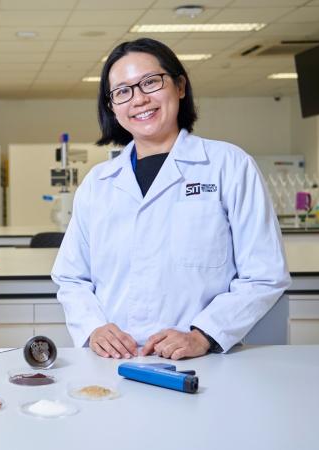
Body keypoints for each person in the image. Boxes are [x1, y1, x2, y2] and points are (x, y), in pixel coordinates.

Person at [51, 38, 291, 360]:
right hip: (114, 361)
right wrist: (94, 327)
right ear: (112, 107)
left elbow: (264, 274)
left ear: (180, 86)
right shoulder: (98, 183)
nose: (139, 99)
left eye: (150, 82)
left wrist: (204, 334)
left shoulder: (229, 166)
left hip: (202, 360)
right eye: (122, 91)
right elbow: (71, 276)